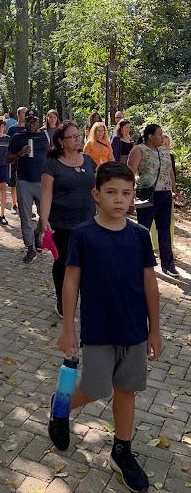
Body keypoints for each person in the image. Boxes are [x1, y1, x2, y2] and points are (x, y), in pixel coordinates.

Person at [50, 162, 161, 493]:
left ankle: (122, 451)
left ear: (132, 199)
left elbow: (150, 285)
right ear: (96, 195)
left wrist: (155, 329)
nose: (119, 200)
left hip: (134, 331)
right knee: (97, 388)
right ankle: (60, 407)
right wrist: (68, 328)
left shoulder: (140, 236)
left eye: (126, 194)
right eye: (111, 192)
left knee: (127, 390)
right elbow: (71, 282)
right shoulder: (84, 235)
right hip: (98, 330)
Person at [40, 121, 96, 317]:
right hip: (62, 224)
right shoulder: (53, 164)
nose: (76, 139)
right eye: (71, 137)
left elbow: (97, 191)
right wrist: (44, 220)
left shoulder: (89, 161)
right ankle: (62, 299)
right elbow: (46, 194)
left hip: (89, 222)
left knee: (87, 264)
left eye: (78, 135)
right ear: (61, 142)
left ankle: (86, 299)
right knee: (63, 263)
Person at [128, 124, 181, 278]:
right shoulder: (139, 150)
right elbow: (130, 173)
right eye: (159, 134)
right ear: (150, 136)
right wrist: (129, 195)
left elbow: (170, 173)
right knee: (143, 229)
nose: (161, 137)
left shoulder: (164, 151)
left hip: (164, 194)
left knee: (165, 230)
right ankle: (139, 261)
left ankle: (168, 265)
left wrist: (174, 191)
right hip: (146, 194)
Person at [7, 109, 49, 263]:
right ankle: (30, 247)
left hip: (42, 182)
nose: (31, 123)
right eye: (29, 120)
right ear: (25, 121)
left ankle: (38, 233)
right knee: (25, 216)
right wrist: (19, 154)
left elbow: (51, 155)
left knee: (45, 215)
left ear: (38, 122)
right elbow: (8, 159)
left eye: (34, 121)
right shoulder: (18, 137)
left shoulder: (44, 136)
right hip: (24, 181)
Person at [150, 135, 176, 256]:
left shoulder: (171, 157)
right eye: (163, 143)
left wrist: (174, 190)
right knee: (155, 220)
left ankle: (168, 247)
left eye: (167, 144)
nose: (165, 146)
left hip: (167, 192)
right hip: (155, 192)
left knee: (170, 220)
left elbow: (172, 175)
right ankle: (155, 247)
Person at [7, 106, 28, 215]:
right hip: (15, 158)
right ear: (18, 114)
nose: (26, 115)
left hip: (27, 160)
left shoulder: (30, 128)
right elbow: (8, 144)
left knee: (26, 183)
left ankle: (24, 207)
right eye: (24, 113)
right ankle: (14, 205)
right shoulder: (12, 129)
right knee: (14, 182)